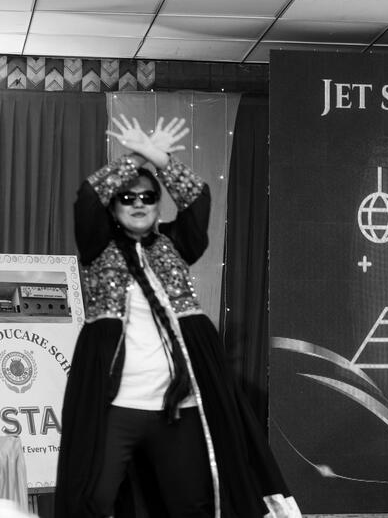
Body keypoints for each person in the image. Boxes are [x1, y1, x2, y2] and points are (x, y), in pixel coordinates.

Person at [55, 116, 300, 518]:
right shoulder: (98, 247)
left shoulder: (174, 242)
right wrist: (136, 157)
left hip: (178, 407)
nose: (138, 203)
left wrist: (161, 161)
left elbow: (198, 198)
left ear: (158, 205)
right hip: (117, 405)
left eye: (148, 197)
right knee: (95, 498)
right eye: (127, 197)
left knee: (192, 502)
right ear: (114, 207)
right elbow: (87, 196)